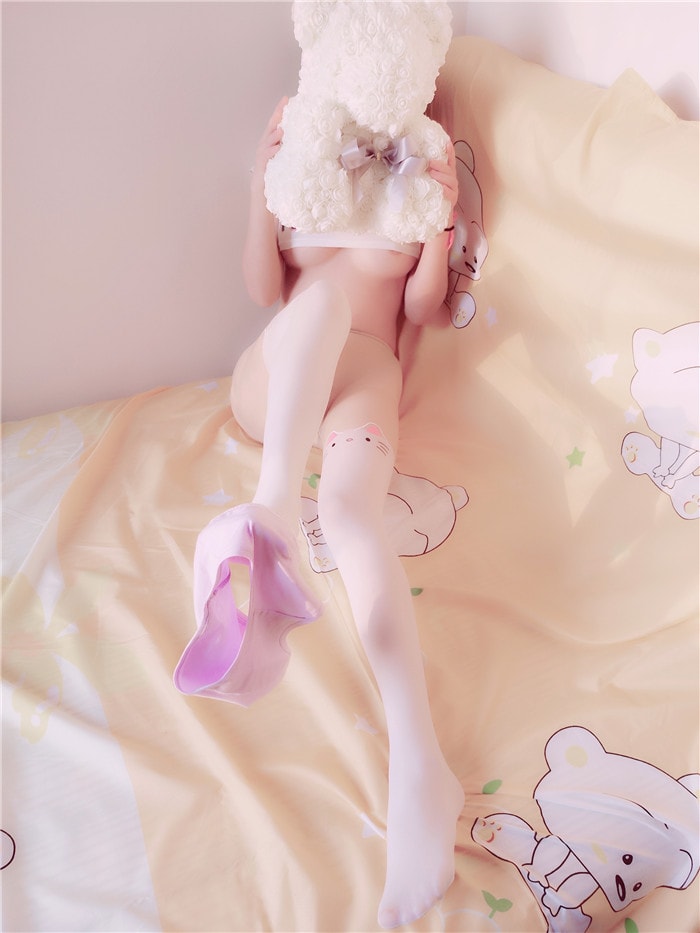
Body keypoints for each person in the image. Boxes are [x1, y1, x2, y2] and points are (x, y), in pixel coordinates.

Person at [180, 97, 464, 930]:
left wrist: (441, 224)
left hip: (365, 374)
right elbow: (263, 286)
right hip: (280, 376)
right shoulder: (308, 137)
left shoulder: (421, 152)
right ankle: (270, 508)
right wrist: (261, 187)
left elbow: (423, 310)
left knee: (351, 514)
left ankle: (420, 767)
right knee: (322, 305)